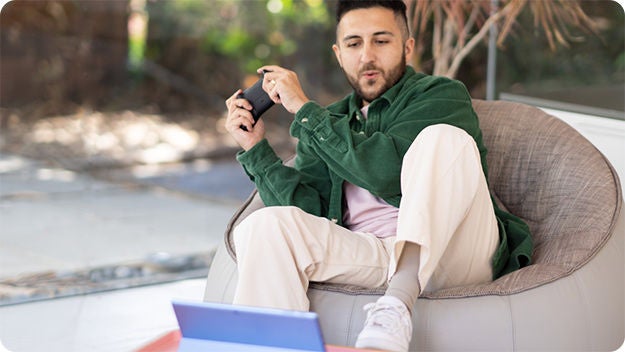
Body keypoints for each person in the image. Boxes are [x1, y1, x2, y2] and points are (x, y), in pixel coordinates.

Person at [224, 1, 533, 351]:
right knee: (263, 226)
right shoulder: (325, 121)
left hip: (456, 249)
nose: (367, 56)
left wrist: (304, 111)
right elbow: (307, 212)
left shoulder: (439, 94)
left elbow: (386, 175)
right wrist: (256, 149)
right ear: (339, 54)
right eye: (354, 44)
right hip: (375, 254)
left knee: (443, 138)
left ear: (408, 46)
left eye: (381, 41)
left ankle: (396, 306)